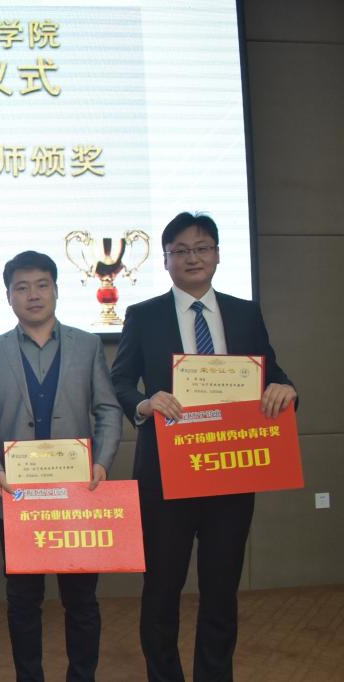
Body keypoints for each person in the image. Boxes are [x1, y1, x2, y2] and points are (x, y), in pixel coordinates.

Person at [111, 212, 296, 682]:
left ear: (216, 255)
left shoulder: (245, 313)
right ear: (166, 260)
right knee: (161, 592)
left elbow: (272, 374)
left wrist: (286, 389)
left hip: (230, 474)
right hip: (165, 477)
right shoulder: (143, 315)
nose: (193, 258)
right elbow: (119, 381)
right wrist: (145, 402)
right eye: (181, 250)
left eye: (202, 248)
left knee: (220, 593)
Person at [0, 252, 122, 682]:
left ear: (56, 290)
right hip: (17, 495)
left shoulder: (87, 345)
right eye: (21, 287)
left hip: (79, 495)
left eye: (41, 285)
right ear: (9, 296)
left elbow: (108, 409)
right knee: (23, 601)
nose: (32, 295)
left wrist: (103, 462)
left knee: (81, 601)